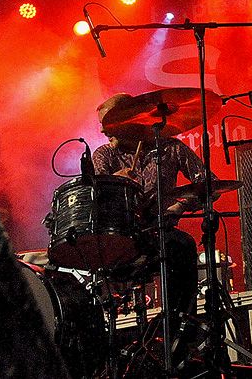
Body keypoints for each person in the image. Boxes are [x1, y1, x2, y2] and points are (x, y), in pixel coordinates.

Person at [91, 93, 207, 330]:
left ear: (130, 119)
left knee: (182, 244)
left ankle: (180, 327)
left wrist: (180, 205)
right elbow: (97, 199)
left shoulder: (171, 148)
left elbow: (207, 183)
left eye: (108, 124)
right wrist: (114, 182)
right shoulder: (104, 155)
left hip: (161, 233)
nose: (103, 132)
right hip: (122, 237)